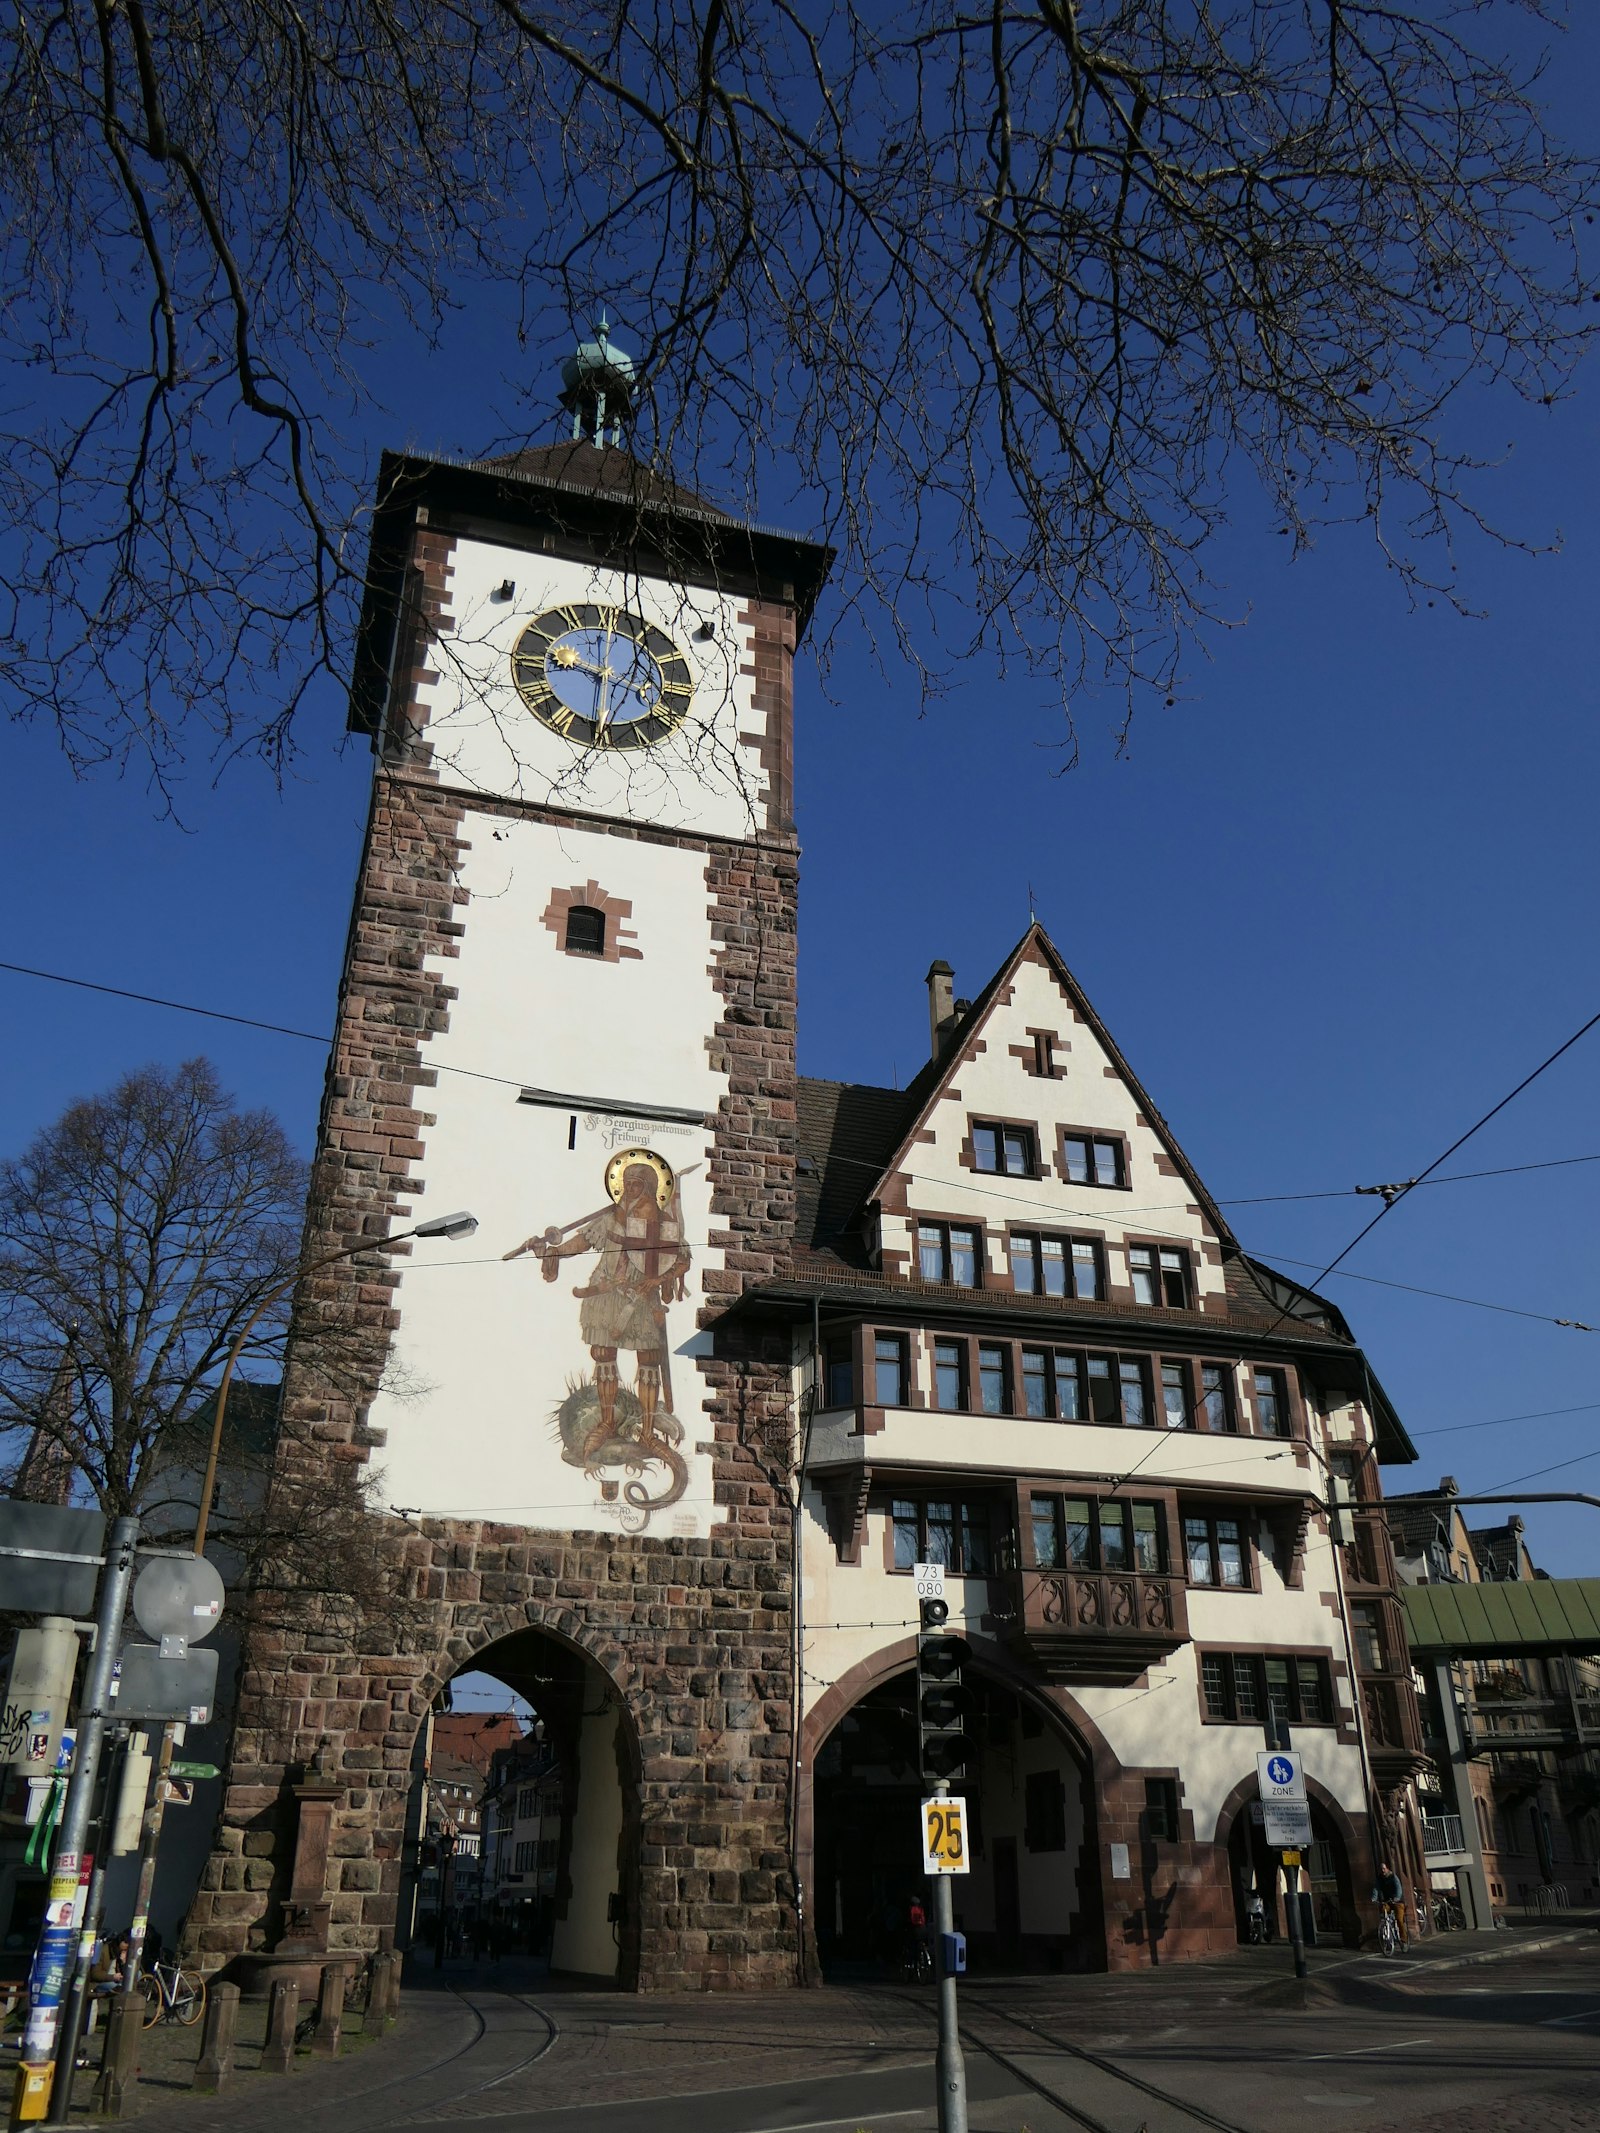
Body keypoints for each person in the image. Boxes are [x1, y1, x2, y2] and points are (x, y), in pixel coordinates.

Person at [1374, 1859, 1407, 1945]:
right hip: (1387, 1901)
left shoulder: (1393, 1877)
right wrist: (1374, 1898)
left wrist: (1397, 1897)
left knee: (1399, 1919)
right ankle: (1387, 1927)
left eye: (1384, 1868)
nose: (1382, 1870)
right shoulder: (1380, 1878)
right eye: (1381, 1869)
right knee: (1383, 1911)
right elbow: (1376, 1888)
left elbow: (1398, 1888)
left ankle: (1403, 1937)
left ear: (1387, 1869)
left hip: (1397, 1902)